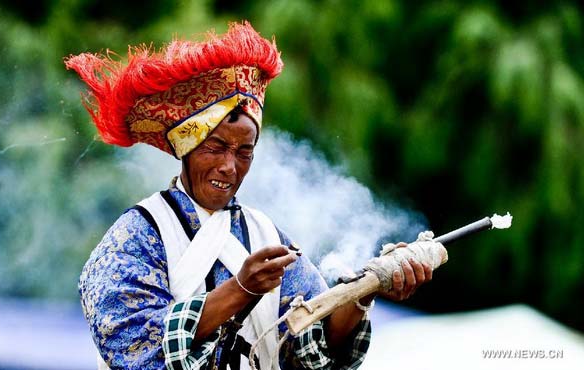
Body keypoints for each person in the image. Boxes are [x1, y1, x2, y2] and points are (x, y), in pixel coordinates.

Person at [66, 22, 437, 370]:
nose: (230, 166)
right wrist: (240, 289)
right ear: (187, 147)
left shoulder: (266, 236)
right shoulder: (136, 235)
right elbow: (133, 346)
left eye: (245, 152)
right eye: (216, 146)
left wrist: (365, 289)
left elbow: (309, 346)